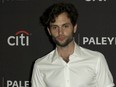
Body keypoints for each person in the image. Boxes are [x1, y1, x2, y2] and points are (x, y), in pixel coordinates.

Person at [31, 2, 115, 87]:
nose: (60, 32)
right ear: (49, 31)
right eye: (55, 27)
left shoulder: (96, 59)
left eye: (65, 26)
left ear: (74, 27)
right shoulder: (40, 66)